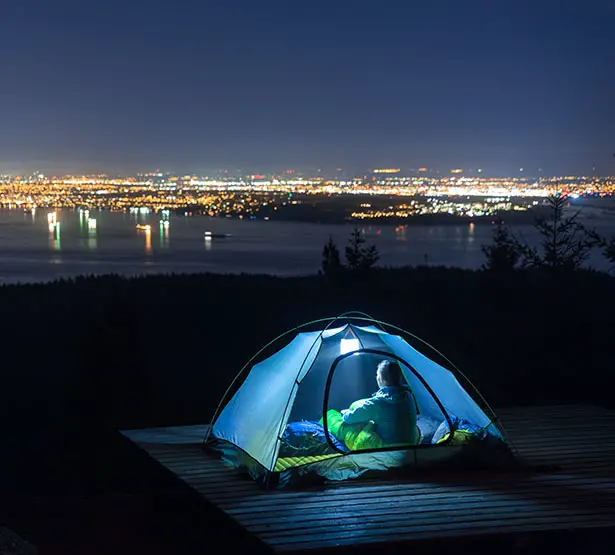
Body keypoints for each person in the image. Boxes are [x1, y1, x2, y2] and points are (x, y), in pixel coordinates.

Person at [341, 359, 419, 446]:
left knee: (338, 422)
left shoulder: (378, 403)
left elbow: (350, 419)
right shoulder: (408, 394)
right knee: (359, 405)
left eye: (377, 375)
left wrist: (346, 413)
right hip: (411, 440)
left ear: (381, 379)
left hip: (389, 445)